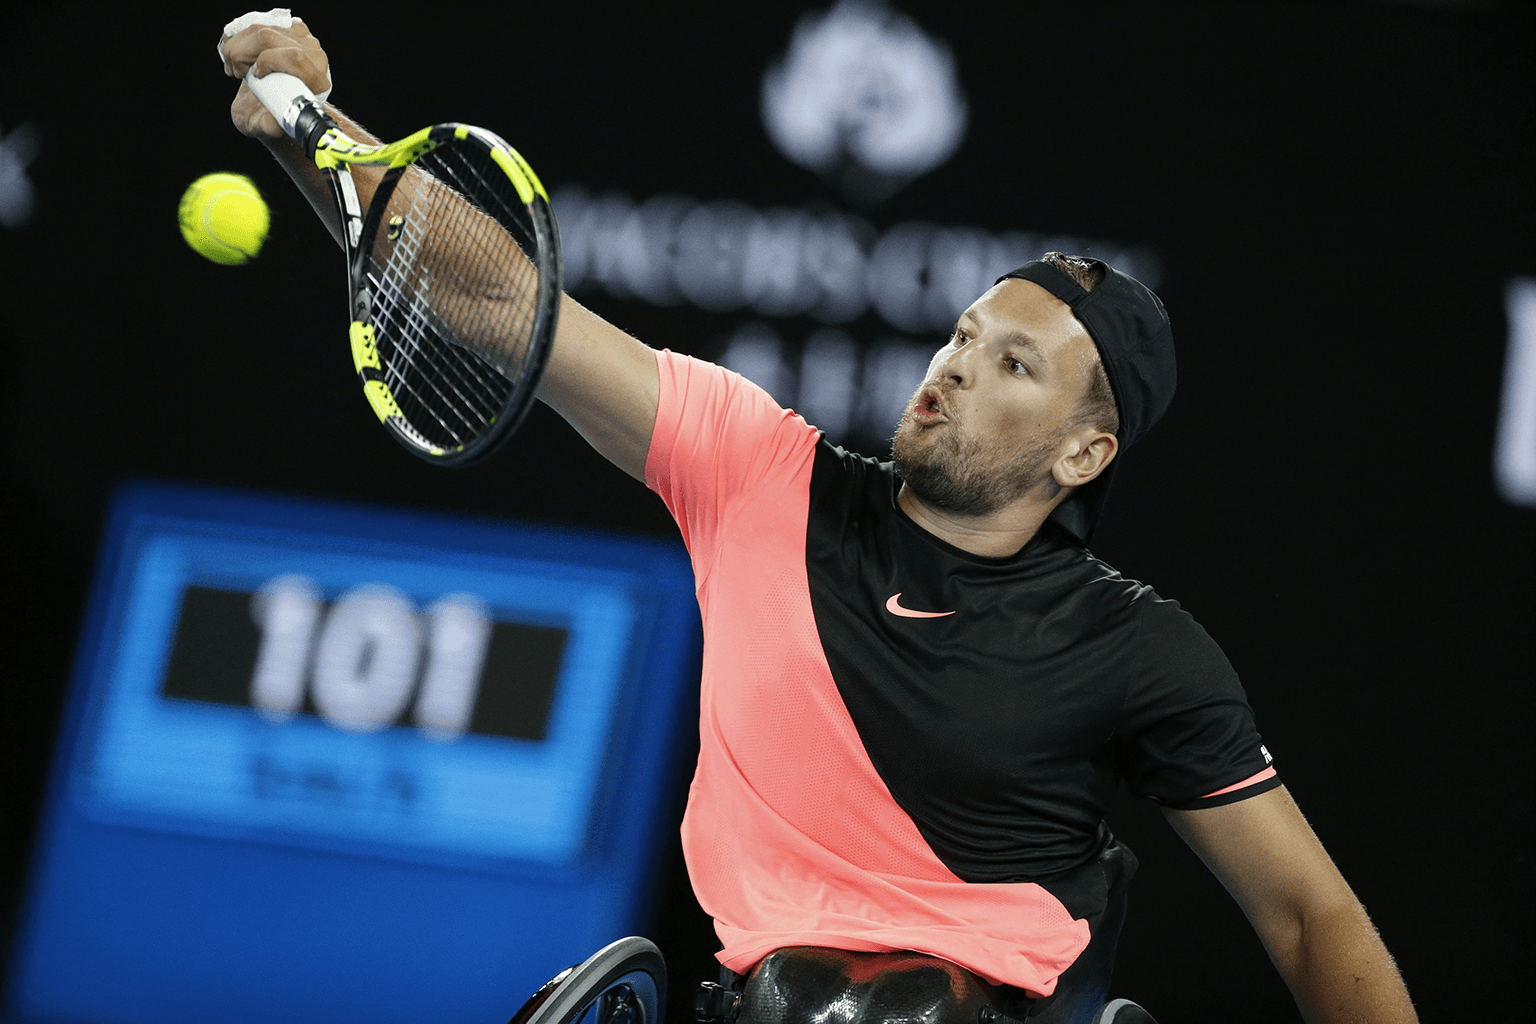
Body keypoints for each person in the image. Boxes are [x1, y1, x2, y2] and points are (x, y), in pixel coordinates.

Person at [218, 14, 1420, 1024]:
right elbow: (497, 297)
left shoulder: (1138, 648)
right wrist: (320, 132)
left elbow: (1311, 918)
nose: (951, 367)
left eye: (1012, 366)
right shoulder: (757, 471)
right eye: (961, 335)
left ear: (1084, 450)